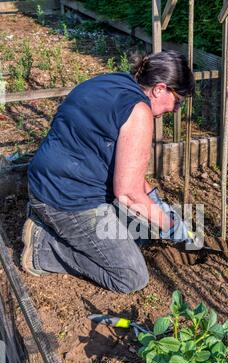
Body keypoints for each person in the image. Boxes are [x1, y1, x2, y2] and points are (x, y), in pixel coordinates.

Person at [21, 50, 195, 293]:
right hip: (69, 201)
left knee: (142, 230)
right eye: (178, 100)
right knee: (131, 276)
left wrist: (155, 201)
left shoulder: (112, 82)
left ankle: (50, 221)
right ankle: (44, 248)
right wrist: (171, 226)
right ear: (160, 88)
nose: (177, 108)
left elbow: (127, 168)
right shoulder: (139, 113)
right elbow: (128, 194)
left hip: (46, 182)